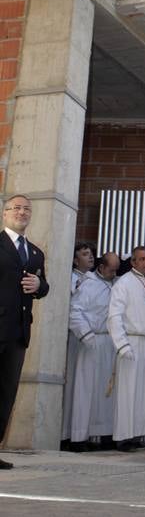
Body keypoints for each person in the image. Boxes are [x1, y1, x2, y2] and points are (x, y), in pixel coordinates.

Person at [0, 194, 49, 469]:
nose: (22, 212)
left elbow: (45, 287)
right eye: (16, 208)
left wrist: (38, 286)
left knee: (6, 393)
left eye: (26, 209)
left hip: (19, 333)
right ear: (5, 213)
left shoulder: (36, 253)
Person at [107, 246, 145, 451]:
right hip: (132, 341)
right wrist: (121, 344)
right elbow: (114, 316)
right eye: (142, 259)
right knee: (130, 391)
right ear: (133, 262)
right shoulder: (123, 284)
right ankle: (125, 436)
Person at [68, 252, 120, 451]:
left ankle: (105, 434)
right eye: (111, 269)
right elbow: (74, 311)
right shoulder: (87, 284)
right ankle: (79, 437)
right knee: (87, 389)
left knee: (106, 391)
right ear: (101, 266)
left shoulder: (115, 284)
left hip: (109, 341)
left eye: (117, 270)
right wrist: (86, 335)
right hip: (92, 340)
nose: (114, 273)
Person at [62, 241, 96, 448]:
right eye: (85, 254)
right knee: (72, 385)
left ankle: (81, 432)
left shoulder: (93, 279)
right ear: (75, 260)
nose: (90, 257)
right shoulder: (73, 279)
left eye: (91, 253)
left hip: (89, 338)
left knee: (84, 386)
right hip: (75, 338)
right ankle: (67, 434)